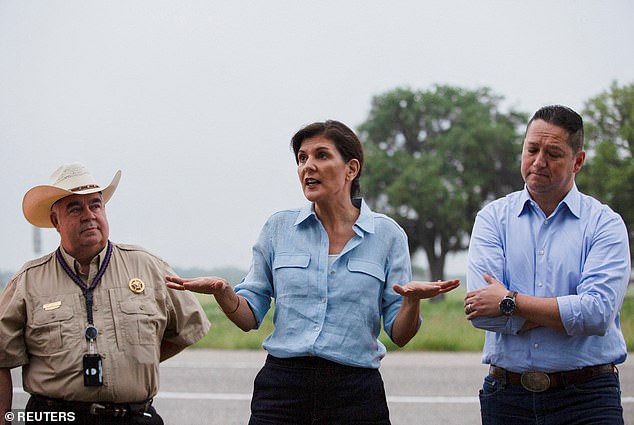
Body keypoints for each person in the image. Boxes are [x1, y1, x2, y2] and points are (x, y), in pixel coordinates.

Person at [166, 120, 460, 424]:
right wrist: (224, 293)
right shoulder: (278, 228)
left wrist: (412, 301)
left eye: (321, 155)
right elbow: (249, 317)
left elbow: (400, 335)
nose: (308, 166)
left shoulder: (387, 235)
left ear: (351, 169)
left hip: (355, 392)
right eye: (302, 158)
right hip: (282, 389)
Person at [0, 163, 211, 425]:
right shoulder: (28, 280)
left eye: (95, 205)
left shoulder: (148, 267)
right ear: (56, 220)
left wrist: (132, 361)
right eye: (75, 208)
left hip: (134, 416)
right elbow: (1, 358)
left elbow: (187, 329)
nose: (88, 215)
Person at [464, 105, 630, 424]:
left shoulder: (605, 224)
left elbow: (596, 314)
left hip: (588, 398)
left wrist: (509, 302)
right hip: (507, 398)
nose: (539, 162)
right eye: (532, 149)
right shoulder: (492, 220)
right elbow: (481, 313)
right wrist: (566, 312)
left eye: (553, 153)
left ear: (578, 161)